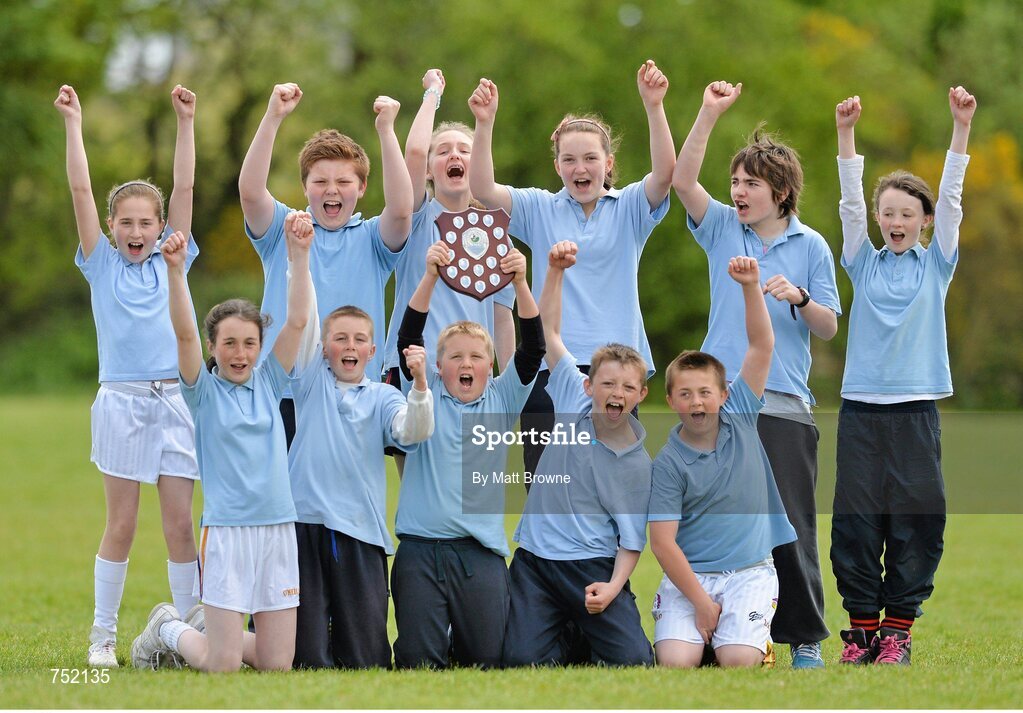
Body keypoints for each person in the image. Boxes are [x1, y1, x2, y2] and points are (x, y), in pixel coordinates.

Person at [671, 80, 841, 668]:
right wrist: (708, 113)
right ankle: (717, 634)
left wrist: (798, 297)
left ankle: (806, 642)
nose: (738, 191)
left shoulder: (812, 245)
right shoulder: (721, 227)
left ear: (782, 192)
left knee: (790, 526)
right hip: (718, 406)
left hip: (784, 404)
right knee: (717, 522)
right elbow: (683, 181)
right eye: (736, 182)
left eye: (751, 184)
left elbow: (827, 328)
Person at [467, 60, 674, 478]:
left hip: (617, 369)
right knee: (547, 484)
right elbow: (483, 189)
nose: (580, 168)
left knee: (612, 482)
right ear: (557, 165)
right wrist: (484, 123)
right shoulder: (540, 207)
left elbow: (666, 174)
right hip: (549, 369)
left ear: (608, 163)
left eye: (590, 158)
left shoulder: (631, 207)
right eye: (569, 159)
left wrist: (654, 106)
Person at [56, 83, 202, 668]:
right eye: (126, 223)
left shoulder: (174, 257)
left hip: (175, 400)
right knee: (121, 524)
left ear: (162, 224)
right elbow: (80, 189)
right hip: (120, 401)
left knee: (180, 525)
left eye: (147, 221)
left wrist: (186, 122)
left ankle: (194, 630)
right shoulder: (101, 265)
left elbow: (187, 187)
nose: (137, 231)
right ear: (113, 226)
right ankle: (102, 639)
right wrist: (74, 121)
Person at [130, 211, 314, 672]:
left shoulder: (270, 381)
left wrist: (299, 255)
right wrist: (175, 272)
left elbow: (296, 321)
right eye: (229, 344)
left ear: (259, 346)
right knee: (223, 667)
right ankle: (168, 629)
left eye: (249, 343)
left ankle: (206, 628)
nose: (240, 353)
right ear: (214, 347)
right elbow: (184, 331)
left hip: (277, 529)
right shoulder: (203, 392)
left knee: (277, 665)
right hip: (228, 531)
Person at [831, 87, 976, 666]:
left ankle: (898, 633)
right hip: (861, 411)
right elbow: (846, 205)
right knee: (857, 524)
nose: (895, 220)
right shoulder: (861, 261)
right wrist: (846, 135)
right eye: (886, 212)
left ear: (924, 222)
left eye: (906, 214)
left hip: (916, 412)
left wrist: (960, 127)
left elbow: (955, 197)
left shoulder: (937, 264)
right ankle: (862, 631)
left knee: (916, 521)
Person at [391, 241, 544, 669]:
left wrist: (520, 283)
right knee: (418, 664)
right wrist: (430, 277)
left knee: (487, 661)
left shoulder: (502, 398)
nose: (466, 363)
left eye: (477, 357)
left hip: (480, 555)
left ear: (491, 366)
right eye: (455, 356)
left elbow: (533, 348)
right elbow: (408, 337)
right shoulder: (425, 391)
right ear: (439, 366)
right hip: (420, 551)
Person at [503, 241, 653, 668]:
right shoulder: (572, 396)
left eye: (627, 387)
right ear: (589, 386)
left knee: (634, 663)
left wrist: (611, 587)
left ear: (640, 395)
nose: (616, 393)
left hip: (593, 566)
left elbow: (630, 542)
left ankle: (584, 627)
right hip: (536, 562)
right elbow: (548, 332)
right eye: (607, 384)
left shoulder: (638, 464)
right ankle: (568, 632)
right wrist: (554, 271)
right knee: (518, 662)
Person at [239, 83, 413, 444]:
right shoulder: (284, 231)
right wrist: (272, 118)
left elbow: (400, 210)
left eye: (343, 181)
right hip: (284, 391)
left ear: (362, 187)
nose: (331, 189)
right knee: (283, 498)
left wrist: (386, 131)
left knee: (349, 496)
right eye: (320, 181)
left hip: (354, 392)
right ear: (305, 187)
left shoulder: (372, 240)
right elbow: (251, 192)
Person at [648, 255, 796, 669]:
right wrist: (700, 602)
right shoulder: (668, 462)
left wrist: (751, 286)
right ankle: (705, 633)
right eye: (686, 394)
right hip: (690, 578)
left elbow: (762, 345)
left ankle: (747, 642)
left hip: (749, 572)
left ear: (725, 395)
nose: (697, 401)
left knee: (737, 663)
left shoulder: (741, 418)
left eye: (705, 392)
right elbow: (662, 542)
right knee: (676, 664)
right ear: (671, 401)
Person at [287, 299, 434, 668]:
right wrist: (300, 256)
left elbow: (412, 432)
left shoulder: (383, 396)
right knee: (306, 658)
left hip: (361, 531)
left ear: (371, 351)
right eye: (340, 338)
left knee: (367, 660)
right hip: (305, 526)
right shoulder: (309, 382)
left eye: (359, 340)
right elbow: (302, 315)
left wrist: (419, 383)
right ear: (323, 349)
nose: (349, 346)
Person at [381, 68, 514, 393]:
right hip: (414, 370)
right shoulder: (417, 215)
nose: (454, 154)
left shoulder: (496, 232)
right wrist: (433, 94)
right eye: (442, 150)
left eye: (464, 150)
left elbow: (501, 319)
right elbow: (413, 152)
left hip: (471, 380)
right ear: (429, 169)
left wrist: (511, 389)